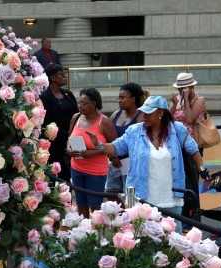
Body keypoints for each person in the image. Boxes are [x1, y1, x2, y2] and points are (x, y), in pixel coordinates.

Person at [86, 96, 209, 234]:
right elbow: (115, 148)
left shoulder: (177, 129)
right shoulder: (134, 131)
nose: (144, 116)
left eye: (148, 113)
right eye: (143, 112)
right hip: (143, 199)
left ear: (160, 113)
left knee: (174, 238)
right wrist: (98, 144)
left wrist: (202, 168)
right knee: (143, 237)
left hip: (171, 198)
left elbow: (193, 149)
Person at [66, 88, 117, 218]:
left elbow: (114, 146)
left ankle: (97, 233)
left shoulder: (104, 121)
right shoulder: (75, 117)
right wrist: (69, 149)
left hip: (96, 171)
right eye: (79, 103)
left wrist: (94, 153)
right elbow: (69, 137)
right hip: (77, 167)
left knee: (95, 205)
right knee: (81, 203)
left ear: (94, 104)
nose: (80, 106)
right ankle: (84, 231)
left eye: (84, 103)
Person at [169, 73, 207, 229]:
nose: (180, 91)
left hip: (191, 147)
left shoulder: (199, 100)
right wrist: (173, 104)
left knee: (190, 180)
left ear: (191, 87)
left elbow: (190, 119)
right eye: (178, 88)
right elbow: (165, 118)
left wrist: (185, 100)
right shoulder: (177, 100)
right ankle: (180, 216)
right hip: (175, 145)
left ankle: (192, 217)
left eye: (183, 88)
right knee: (178, 179)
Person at [105, 82, 148, 196]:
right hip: (113, 163)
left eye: (122, 98)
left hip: (131, 166)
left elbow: (140, 143)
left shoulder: (142, 117)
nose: (119, 100)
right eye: (119, 97)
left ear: (133, 99)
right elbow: (106, 136)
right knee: (112, 197)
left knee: (130, 199)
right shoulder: (115, 115)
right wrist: (113, 156)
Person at [40, 63, 79, 182]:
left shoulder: (68, 94)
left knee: (74, 175)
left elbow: (77, 115)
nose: (66, 76)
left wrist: (73, 135)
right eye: (62, 74)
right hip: (55, 143)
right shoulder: (44, 96)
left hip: (73, 139)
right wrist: (66, 135)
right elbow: (47, 122)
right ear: (53, 78)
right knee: (58, 177)